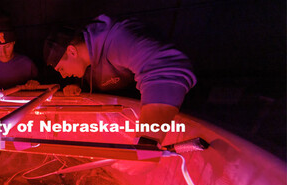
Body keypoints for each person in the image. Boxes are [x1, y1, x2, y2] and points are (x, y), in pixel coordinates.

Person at [43, 14, 197, 144]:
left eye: (61, 69)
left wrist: (146, 146)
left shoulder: (118, 38)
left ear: (71, 51)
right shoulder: (88, 62)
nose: (63, 76)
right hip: (126, 124)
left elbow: (168, 69)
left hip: (174, 122)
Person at [0, 10, 39, 90]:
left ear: (14, 42)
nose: (3, 52)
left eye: (7, 46)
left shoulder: (28, 64)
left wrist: (36, 84)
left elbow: (41, 86)